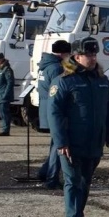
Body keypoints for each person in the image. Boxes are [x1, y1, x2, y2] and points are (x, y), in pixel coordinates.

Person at [49, 37, 109, 217]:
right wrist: (61, 142)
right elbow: (54, 113)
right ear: (76, 56)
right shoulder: (64, 80)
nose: (92, 58)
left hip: (94, 142)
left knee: (85, 182)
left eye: (94, 54)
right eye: (87, 55)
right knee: (72, 182)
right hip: (72, 143)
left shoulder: (101, 81)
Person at [36, 40, 72, 189]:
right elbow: (60, 91)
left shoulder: (45, 66)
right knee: (58, 145)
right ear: (64, 53)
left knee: (54, 144)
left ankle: (45, 171)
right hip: (56, 112)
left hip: (45, 109)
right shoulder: (57, 68)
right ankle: (51, 177)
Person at [0, 53, 15, 136]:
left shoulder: (7, 69)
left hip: (4, 95)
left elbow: (10, 83)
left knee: (5, 113)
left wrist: (6, 94)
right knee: (1, 113)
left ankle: (6, 130)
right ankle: (4, 128)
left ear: (2, 59)